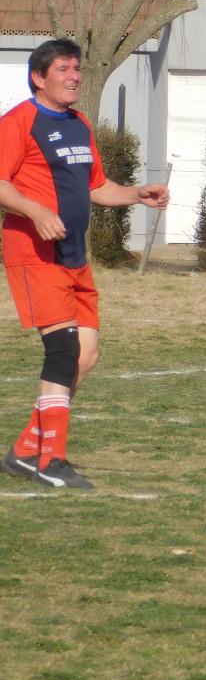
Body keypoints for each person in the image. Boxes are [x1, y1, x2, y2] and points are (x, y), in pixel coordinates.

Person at [0, 38, 170, 490]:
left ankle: (25, 451)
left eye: (77, 69)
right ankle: (50, 460)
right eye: (64, 69)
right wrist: (35, 211)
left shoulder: (79, 125)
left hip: (74, 256)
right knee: (63, 351)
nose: (75, 76)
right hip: (35, 255)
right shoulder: (18, 122)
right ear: (38, 77)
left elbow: (96, 187)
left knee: (86, 354)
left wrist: (136, 193)